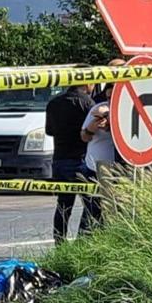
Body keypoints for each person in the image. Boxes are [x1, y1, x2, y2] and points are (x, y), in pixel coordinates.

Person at [45, 82, 94, 243]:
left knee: (63, 205)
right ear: (87, 83)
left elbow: (49, 131)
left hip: (60, 158)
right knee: (91, 204)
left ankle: (59, 242)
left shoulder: (54, 102)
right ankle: (82, 241)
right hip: (82, 158)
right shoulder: (87, 103)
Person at [79, 100, 114, 228]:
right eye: (108, 96)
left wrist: (109, 123)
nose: (110, 99)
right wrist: (90, 129)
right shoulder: (99, 108)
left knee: (111, 211)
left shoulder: (126, 109)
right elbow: (84, 136)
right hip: (93, 166)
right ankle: (85, 237)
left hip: (116, 168)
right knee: (91, 210)